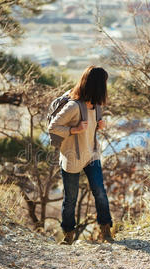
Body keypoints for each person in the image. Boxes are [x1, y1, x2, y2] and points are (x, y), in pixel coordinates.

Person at [48, 66, 113, 245]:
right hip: (72, 156)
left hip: (91, 153)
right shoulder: (73, 106)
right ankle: (68, 235)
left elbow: (92, 126)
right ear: (97, 85)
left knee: (100, 192)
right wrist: (74, 130)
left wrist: (99, 125)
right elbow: (53, 127)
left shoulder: (97, 105)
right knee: (71, 199)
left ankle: (106, 230)